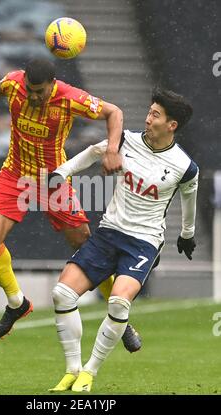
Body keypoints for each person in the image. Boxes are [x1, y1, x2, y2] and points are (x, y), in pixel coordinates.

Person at [0, 57, 140, 351]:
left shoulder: (69, 97)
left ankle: (120, 318)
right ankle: (17, 303)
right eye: (30, 89)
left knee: (87, 247)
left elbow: (113, 112)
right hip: (14, 175)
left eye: (40, 91)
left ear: (52, 84)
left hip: (52, 179)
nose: (34, 96)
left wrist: (113, 149)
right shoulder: (15, 83)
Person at [49, 87, 198, 392]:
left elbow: (189, 200)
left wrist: (187, 234)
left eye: (155, 115)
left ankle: (89, 373)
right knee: (62, 294)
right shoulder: (126, 141)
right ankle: (71, 370)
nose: (147, 118)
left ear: (171, 125)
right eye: (149, 111)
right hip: (108, 233)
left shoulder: (184, 166)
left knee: (118, 301)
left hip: (143, 242)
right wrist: (62, 172)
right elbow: (94, 151)